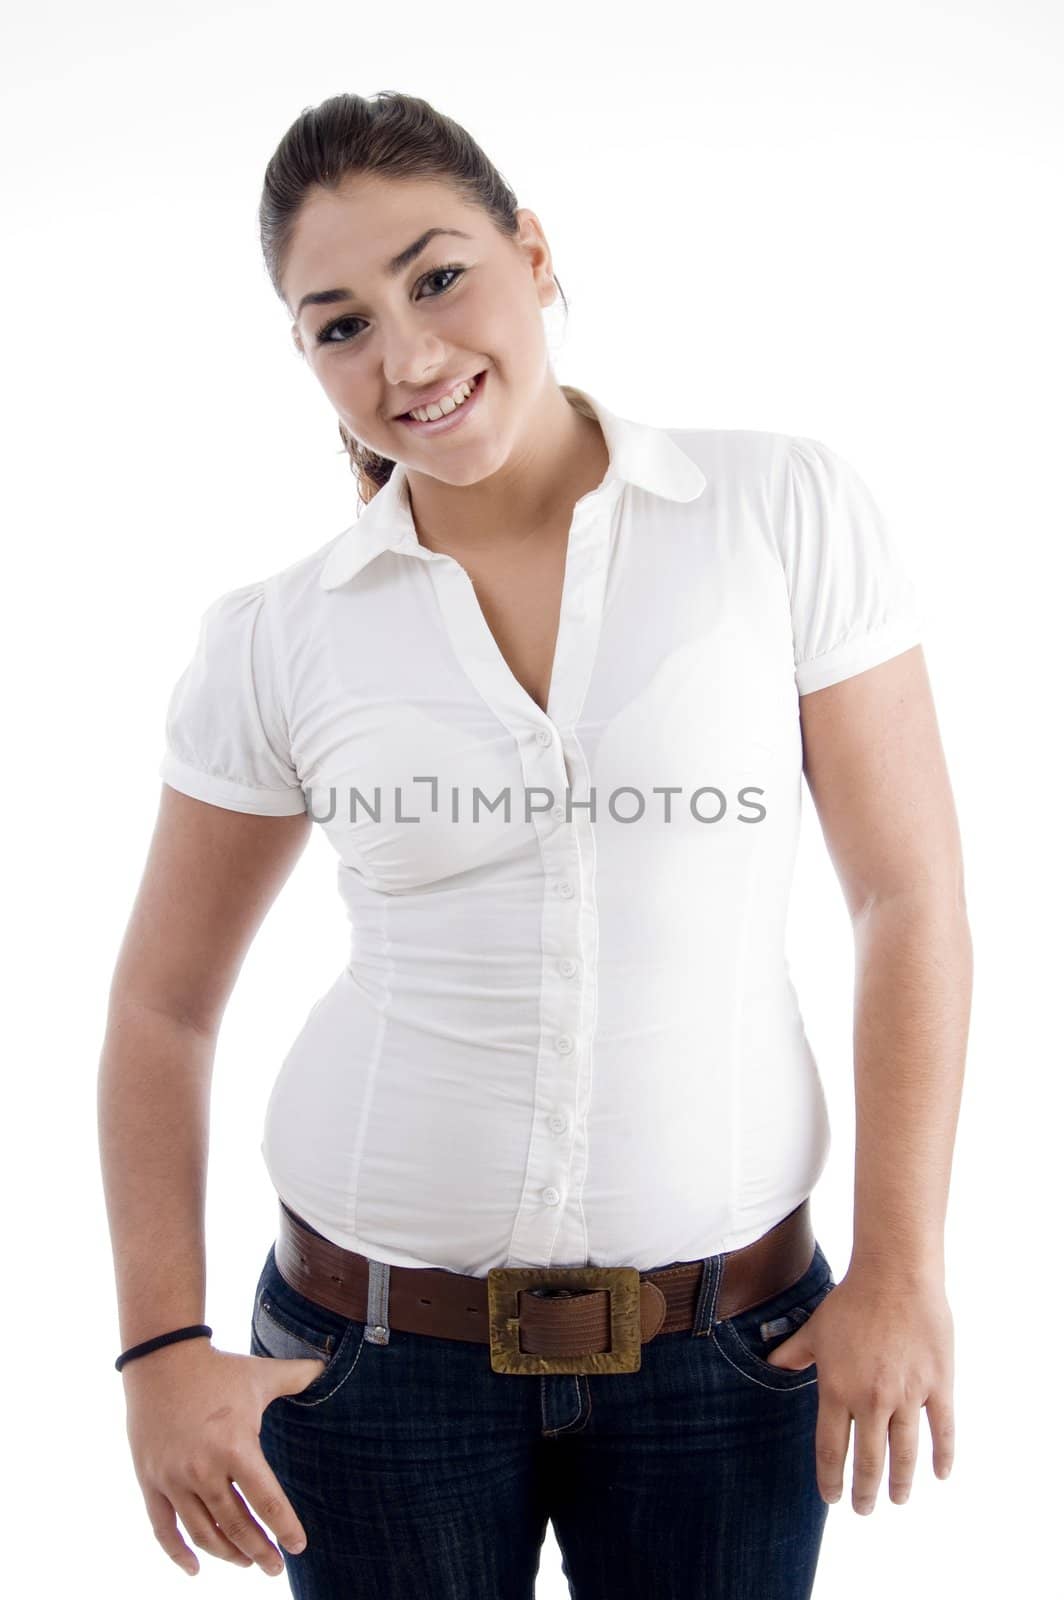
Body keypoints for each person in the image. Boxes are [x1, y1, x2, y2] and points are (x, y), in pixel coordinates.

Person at [98, 90, 970, 1600]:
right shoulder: (277, 637)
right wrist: (161, 1347)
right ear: (306, 362)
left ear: (535, 251)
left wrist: (902, 1261)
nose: (409, 357)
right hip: (369, 1371)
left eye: (437, 278)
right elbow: (160, 1009)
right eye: (340, 325)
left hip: (733, 1354)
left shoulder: (776, 512)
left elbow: (908, 896)